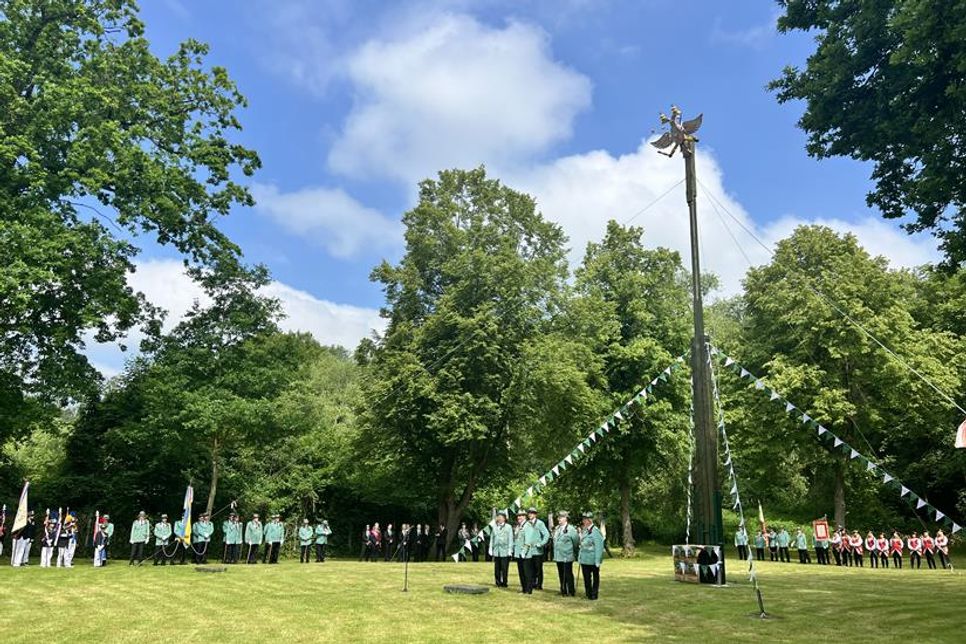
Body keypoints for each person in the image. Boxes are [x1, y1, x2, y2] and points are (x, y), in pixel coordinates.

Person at [578, 511, 604, 600]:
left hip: (592, 559)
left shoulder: (596, 531)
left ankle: (594, 594)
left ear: (590, 520)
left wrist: (597, 560)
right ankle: (588, 593)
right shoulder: (585, 531)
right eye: (583, 519)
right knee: (586, 577)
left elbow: (599, 547)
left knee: (595, 577)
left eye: (586, 519)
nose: (584, 521)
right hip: (585, 559)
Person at [552, 511, 579, 597]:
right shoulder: (557, 528)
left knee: (568, 574)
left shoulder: (571, 529)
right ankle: (563, 590)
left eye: (560, 517)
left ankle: (571, 591)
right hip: (558, 555)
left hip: (567, 555)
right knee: (561, 573)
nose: (558, 519)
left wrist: (573, 552)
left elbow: (576, 542)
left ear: (565, 518)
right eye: (558, 517)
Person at [524, 507, 550, 590]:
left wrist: (541, 543)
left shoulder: (540, 523)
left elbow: (546, 534)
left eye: (532, 513)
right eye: (529, 513)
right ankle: (532, 583)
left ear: (535, 514)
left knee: (538, 569)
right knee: (530, 569)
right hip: (528, 551)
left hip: (537, 551)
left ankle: (539, 585)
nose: (530, 515)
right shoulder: (526, 524)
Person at [490, 510, 512, 588]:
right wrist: (490, 548)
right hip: (497, 550)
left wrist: (510, 549)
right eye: (498, 517)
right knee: (497, 568)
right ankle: (498, 582)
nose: (499, 518)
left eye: (501, 517)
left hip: (505, 551)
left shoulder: (508, 527)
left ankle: (504, 582)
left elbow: (510, 539)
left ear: (504, 518)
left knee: (504, 568)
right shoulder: (494, 527)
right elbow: (492, 538)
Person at [513, 509, 529, 593]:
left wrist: (524, 551)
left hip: (525, 553)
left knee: (526, 572)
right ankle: (524, 589)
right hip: (518, 552)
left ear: (524, 517)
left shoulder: (527, 525)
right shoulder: (518, 526)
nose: (518, 517)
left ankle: (528, 589)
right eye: (518, 516)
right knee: (521, 572)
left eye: (520, 515)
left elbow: (528, 539)